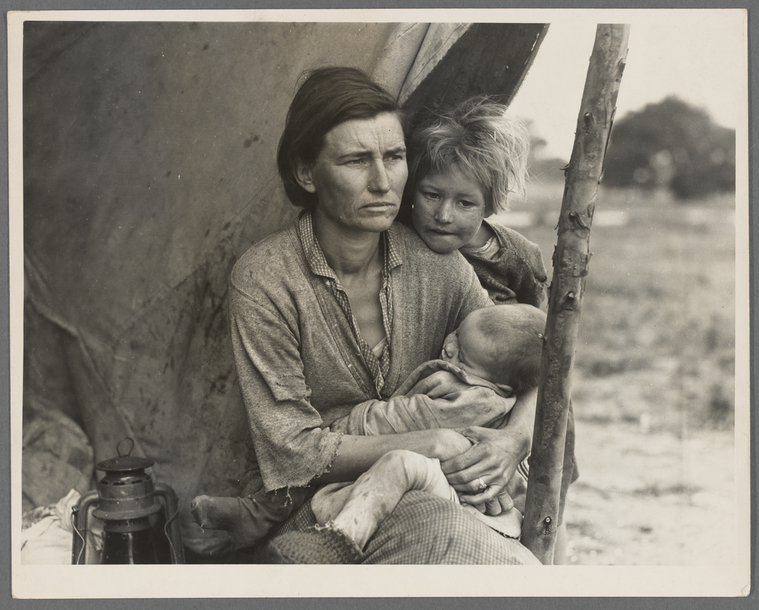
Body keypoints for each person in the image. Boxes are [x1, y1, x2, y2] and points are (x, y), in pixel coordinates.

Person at [193, 67, 540, 564]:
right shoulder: (266, 279)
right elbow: (293, 451)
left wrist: (512, 441)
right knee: (449, 542)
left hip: (435, 486)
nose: (382, 182)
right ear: (306, 172)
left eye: (394, 157)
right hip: (317, 502)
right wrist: (432, 441)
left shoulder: (438, 265)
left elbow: (529, 370)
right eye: (357, 160)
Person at [403, 97, 548, 307]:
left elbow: (537, 316)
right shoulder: (399, 235)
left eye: (465, 203)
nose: (443, 216)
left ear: (488, 206)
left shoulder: (517, 254)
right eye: (432, 195)